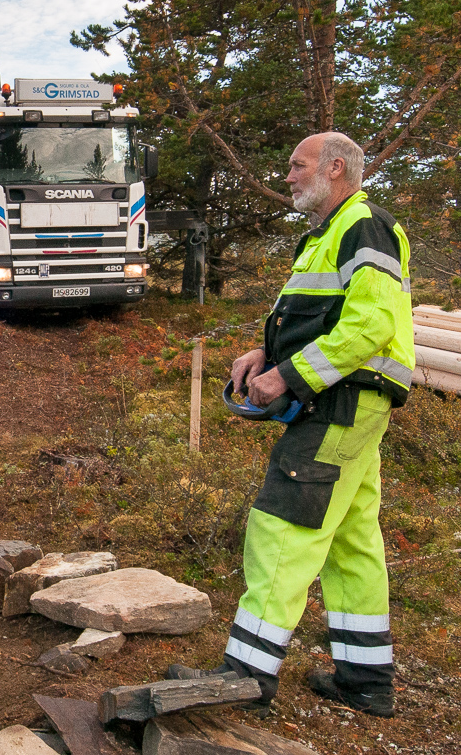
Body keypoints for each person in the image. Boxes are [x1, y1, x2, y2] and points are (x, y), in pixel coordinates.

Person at [168, 132, 414, 719]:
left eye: (296, 165)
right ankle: (366, 680)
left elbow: (369, 326)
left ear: (334, 168)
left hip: (341, 401)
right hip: (350, 403)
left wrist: (287, 378)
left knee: (282, 526)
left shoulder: (365, 225)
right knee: (352, 539)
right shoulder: (328, 234)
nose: (287, 175)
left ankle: (246, 676)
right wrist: (264, 352)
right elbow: (315, 315)